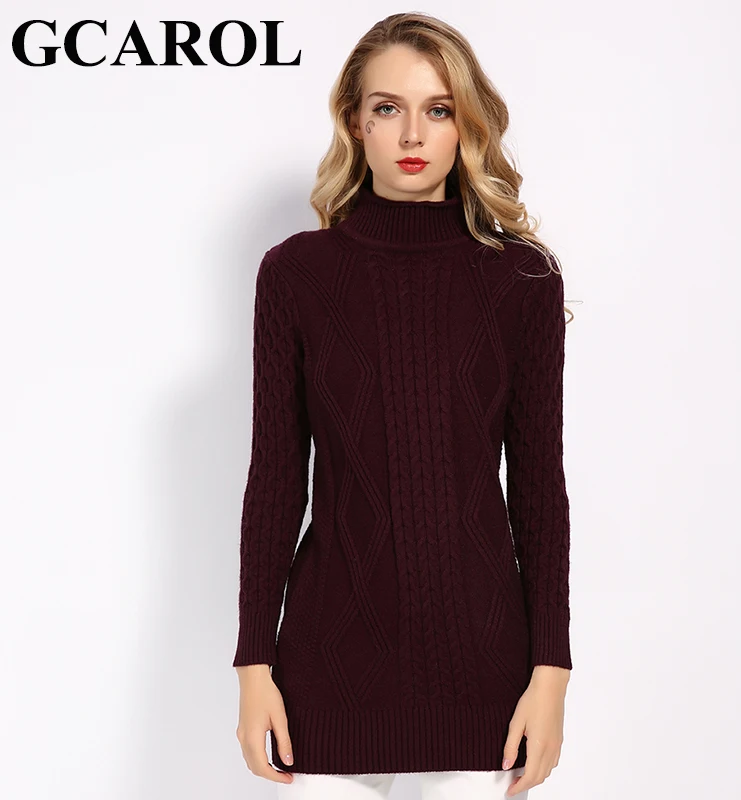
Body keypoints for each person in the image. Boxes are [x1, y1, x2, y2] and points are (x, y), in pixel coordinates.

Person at [233, 12, 574, 800]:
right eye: (387, 108)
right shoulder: (296, 274)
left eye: (438, 109)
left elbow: (538, 490)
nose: (412, 133)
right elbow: (276, 482)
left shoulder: (522, 279)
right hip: (325, 666)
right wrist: (253, 665)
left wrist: (551, 672)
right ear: (356, 122)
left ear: (467, 124)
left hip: (486, 672)